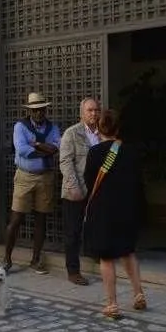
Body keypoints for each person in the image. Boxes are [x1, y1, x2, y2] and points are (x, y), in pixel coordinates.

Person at [82, 109, 148, 320]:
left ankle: (112, 304)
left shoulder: (94, 153)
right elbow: (138, 182)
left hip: (104, 211)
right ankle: (138, 293)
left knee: (107, 258)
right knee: (128, 251)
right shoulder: (130, 151)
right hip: (127, 209)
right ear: (118, 129)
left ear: (99, 129)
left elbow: (89, 181)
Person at [3, 92, 61, 274]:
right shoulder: (20, 126)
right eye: (35, 110)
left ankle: (35, 260)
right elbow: (21, 150)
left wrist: (36, 144)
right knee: (16, 218)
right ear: (30, 111)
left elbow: (57, 148)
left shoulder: (53, 127)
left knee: (41, 219)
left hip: (46, 176)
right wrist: (45, 149)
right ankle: (7, 258)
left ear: (46, 109)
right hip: (25, 176)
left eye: (41, 109)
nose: (38, 113)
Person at [58, 98, 101, 286]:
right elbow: (66, 162)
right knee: (73, 231)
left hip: (96, 190)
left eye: (96, 110)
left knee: (95, 226)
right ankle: (73, 270)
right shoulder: (72, 133)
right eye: (90, 110)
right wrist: (74, 187)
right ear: (82, 113)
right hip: (75, 190)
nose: (94, 113)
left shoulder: (102, 134)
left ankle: (96, 254)